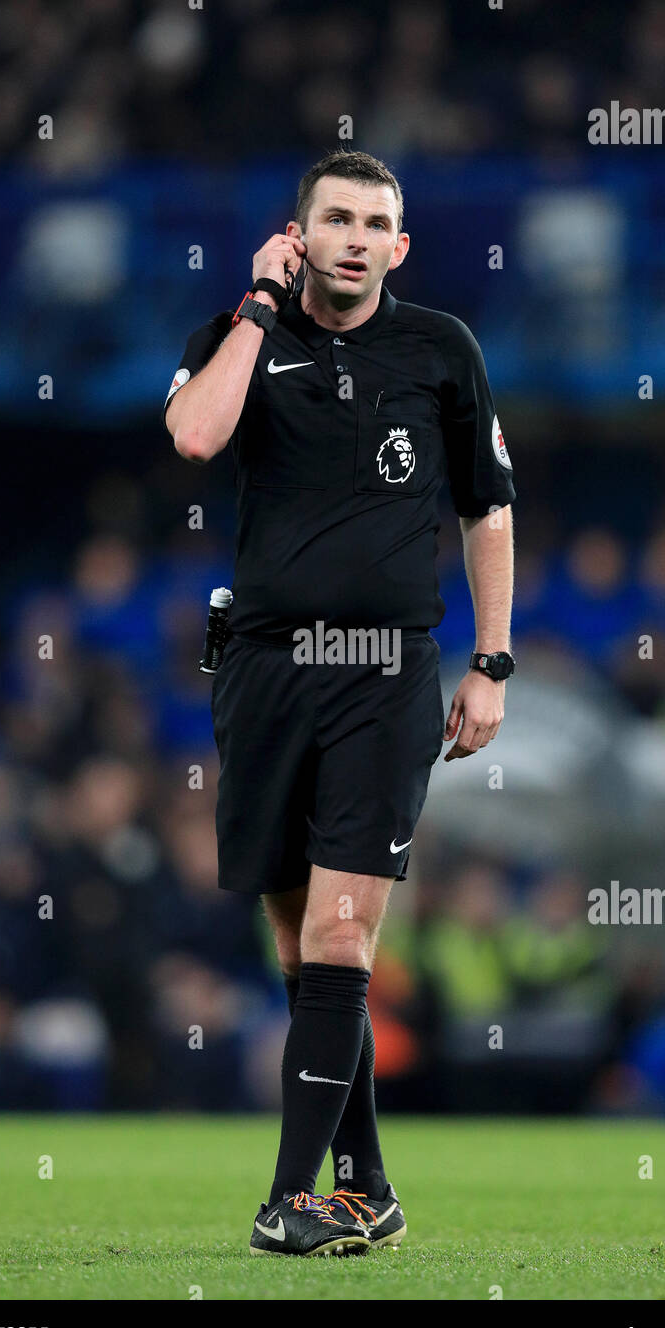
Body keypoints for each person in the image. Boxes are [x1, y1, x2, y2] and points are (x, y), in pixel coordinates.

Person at [164, 150, 515, 1256]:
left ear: (398, 247)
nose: (357, 237)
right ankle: (367, 1184)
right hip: (265, 670)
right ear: (299, 233)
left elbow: (487, 509)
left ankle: (292, 1197)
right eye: (338, 219)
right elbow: (193, 435)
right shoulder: (236, 338)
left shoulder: (441, 350)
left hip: (385, 670)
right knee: (299, 948)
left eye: (377, 223)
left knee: (338, 931)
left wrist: (491, 662)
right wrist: (256, 309)